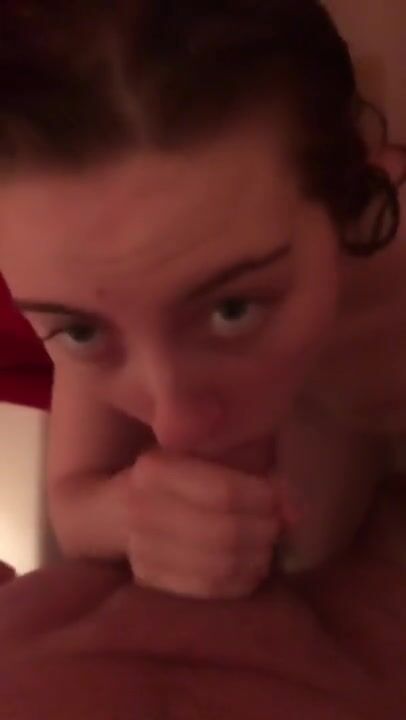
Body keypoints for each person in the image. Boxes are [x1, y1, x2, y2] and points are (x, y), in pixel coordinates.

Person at [0, 1, 402, 598]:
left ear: (358, 195)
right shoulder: (119, 294)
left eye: (232, 310)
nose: (174, 427)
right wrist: (130, 515)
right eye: (83, 331)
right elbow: (75, 501)